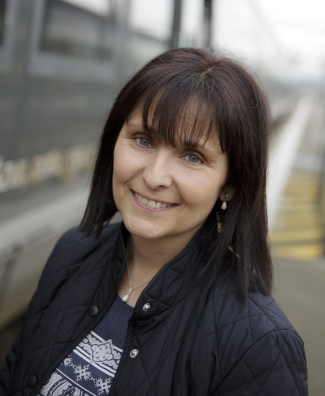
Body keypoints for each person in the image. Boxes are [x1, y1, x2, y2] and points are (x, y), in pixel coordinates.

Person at [0, 48, 308, 395]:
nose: (155, 175)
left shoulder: (259, 346)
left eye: (193, 157)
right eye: (143, 140)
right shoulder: (73, 253)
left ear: (231, 183)